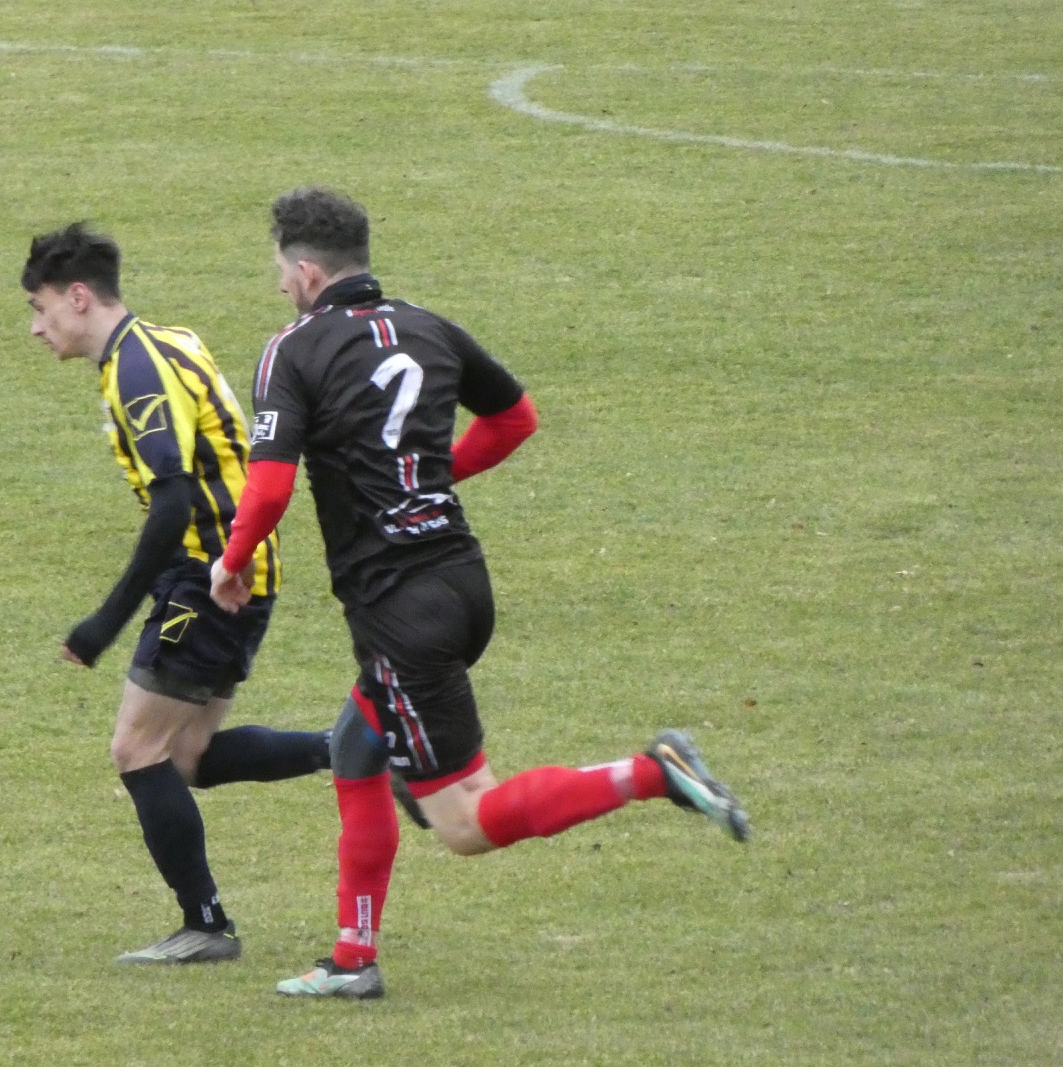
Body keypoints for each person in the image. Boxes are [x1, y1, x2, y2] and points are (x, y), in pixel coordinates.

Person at [210, 187, 750, 999]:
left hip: (399, 610)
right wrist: (424, 482)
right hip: (462, 583)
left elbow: (272, 486)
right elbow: (515, 419)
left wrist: (233, 562)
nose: (280, 283)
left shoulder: (291, 351)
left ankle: (652, 772)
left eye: (282, 270)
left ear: (309, 272)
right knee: (356, 747)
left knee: (465, 822)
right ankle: (352, 959)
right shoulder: (429, 326)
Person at [22, 221, 331, 965]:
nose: (36, 327)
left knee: (137, 748)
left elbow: (173, 502)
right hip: (236, 568)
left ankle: (206, 925)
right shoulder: (166, 341)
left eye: (40, 307)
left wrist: (105, 621)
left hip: (210, 576)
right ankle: (359, 747)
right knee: (188, 755)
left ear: (78, 296)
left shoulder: (137, 371)